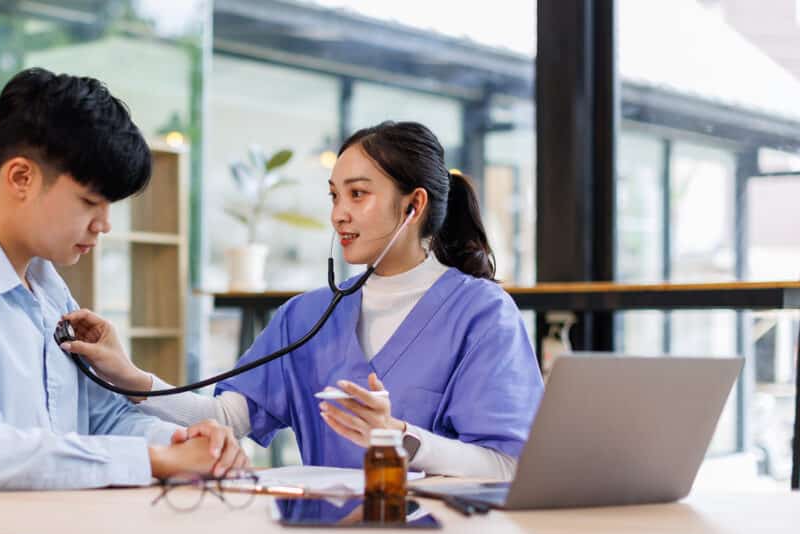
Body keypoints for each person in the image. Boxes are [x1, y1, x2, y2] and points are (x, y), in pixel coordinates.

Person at [0, 68, 245, 517]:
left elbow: (102, 420)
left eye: (109, 206)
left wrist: (183, 442)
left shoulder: (48, 290)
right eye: (88, 202)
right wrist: (156, 459)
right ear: (21, 178)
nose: (104, 225)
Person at [60, 121, 543, 479]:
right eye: (334, 196)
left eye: (358, 195)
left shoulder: (481, 314)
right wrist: (128, 376)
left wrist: (398, 436)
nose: (339, 215)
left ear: (413, 206)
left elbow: (508, 465)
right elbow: (229, 417)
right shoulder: (306, 316)